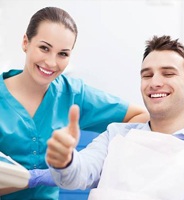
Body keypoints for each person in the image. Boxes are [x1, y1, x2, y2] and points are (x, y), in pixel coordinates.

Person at [0, 6, 149, 200]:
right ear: (26, 43)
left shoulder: (74, 94)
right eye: (44, 48)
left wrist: (87, 159)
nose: (52, 63)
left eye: (63, 54)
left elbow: (141, 117)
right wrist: (29, 180)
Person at [46, 35, 184, 200]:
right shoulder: (116, 134)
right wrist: (65, 160)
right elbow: (79, 173)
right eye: (147, 75)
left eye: (168, 74)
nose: (154, 82)